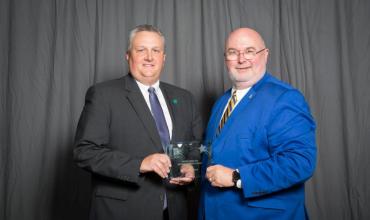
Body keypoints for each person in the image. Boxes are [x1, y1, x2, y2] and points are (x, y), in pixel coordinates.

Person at [74, 24, 203, 220]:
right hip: (122, 212)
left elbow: (195, 147)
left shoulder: (184, 98)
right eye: (141, 50)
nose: (149, 57)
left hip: (174, 210)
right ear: (128, 55)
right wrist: (140, 164)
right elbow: (85, 151)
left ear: (163, 57)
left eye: (156, 50)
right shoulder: (103, 94)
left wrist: (190, 167)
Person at [198, 27, 316, 220]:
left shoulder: (285, 98)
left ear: (265, 55)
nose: (241, 59)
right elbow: (214, 152)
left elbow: (300, 162)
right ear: (225, 58)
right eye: (233, 52)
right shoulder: (222, 102)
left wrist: (237, 177)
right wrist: (193, 169)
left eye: (250, 51)